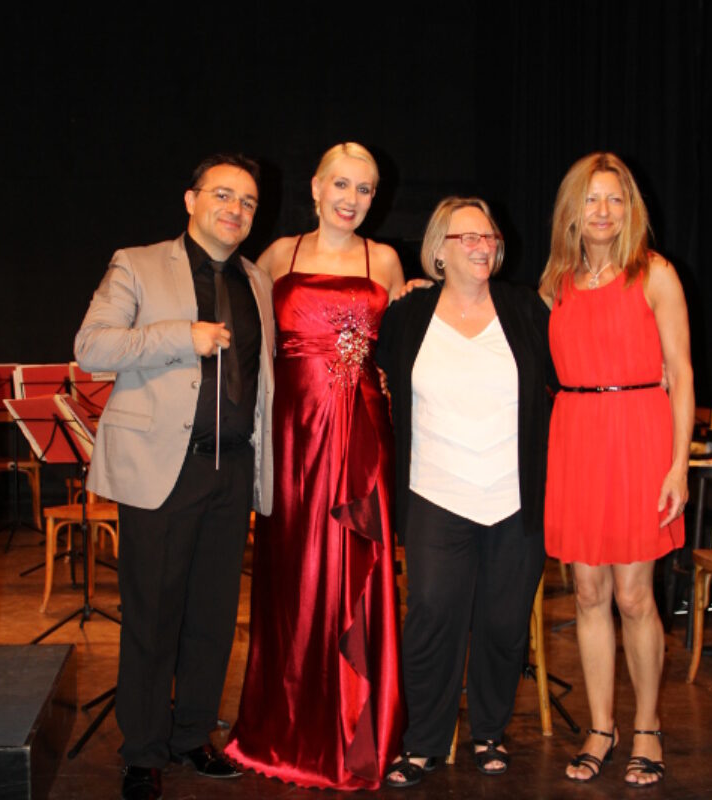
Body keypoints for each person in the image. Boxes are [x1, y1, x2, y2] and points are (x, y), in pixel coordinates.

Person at [74, 153, 274, 800]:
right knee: (153, 617)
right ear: (190, 200)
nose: (235, 209)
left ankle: (192, 737)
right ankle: (142, 749)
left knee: (213, 618)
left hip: (233, 468)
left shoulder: (257, 282)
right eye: (222, 195)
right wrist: (176, 337)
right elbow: (93, 347)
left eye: (247, 201)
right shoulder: (137, 262)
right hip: (164, 470)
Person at [224, 142, 405, 790]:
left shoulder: (382, 259)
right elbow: (248, 345)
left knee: (356, 574)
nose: (352, 199)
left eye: (365, 189)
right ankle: (284, 729)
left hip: (360, 437)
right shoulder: (279, 256)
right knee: (293, 582)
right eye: (342, 185)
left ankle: (357, 732)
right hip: (294, 439)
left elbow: (403, 347)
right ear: (316, 187)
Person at [375, 197, 551, 788]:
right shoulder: (407, 314)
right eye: (467, 237)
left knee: (504, 624)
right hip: (434, 492)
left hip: (514, 496)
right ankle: (423, 743)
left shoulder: (527, 308)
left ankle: (489, 733)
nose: (482, 245)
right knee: (431, 619)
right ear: (439, 250)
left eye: (489, 236)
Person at [539, 152, 694, 787]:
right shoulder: (557, 283)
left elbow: (682, 375)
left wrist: (678, 464)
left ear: (632, 209)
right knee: (589, 594)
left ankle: (648, 727)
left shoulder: (655, 273)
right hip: (577, 437)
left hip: (639, 436)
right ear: (572, 211)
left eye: (615, 199)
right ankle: (601, 728)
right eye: (591, 199)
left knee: (634, 595)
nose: (603, 211)